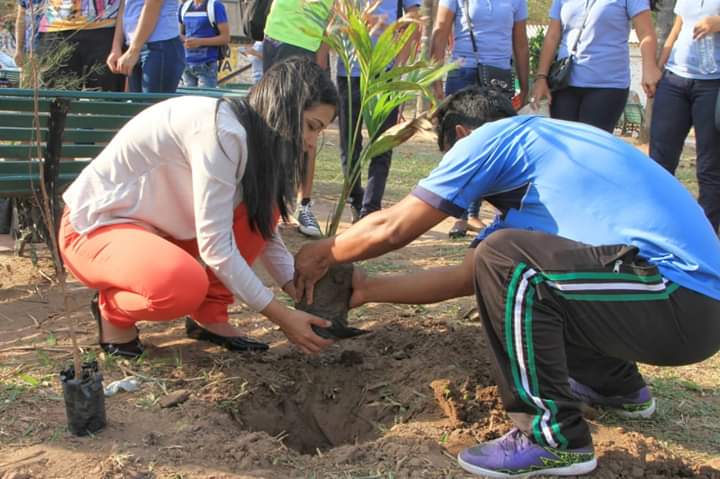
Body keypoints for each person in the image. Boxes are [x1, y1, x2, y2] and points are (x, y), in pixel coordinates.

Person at [294, 86, 720, 478]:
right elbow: (469, 276)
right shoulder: (545, 169)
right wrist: (366, 290)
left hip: (674, 293)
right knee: (511, 266)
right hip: (689, 312)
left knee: (505, 258)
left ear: (462, 135)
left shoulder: (496, 136)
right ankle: (616, 386)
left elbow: (395, 227)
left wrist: (325, 251)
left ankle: (553, 438)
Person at [59, 57, 338, 359]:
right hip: (94, 230)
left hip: (157, 232)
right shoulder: (222, 133)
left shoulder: (252, 137)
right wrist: (283, 317)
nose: (311, 142)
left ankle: (210, 315)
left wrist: (294, 286)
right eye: (311, 127)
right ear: (284, 106)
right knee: (183, 286)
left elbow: (261, 229)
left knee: (265, 207)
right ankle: (112, 312)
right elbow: (216, 248)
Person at [430, 0, 529, 238]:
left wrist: (525, 85)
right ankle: (459, 215)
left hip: (498, 77)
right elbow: (440, 31)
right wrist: (435, 77)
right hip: (462, 72)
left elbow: (521, 42)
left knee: (493, 146)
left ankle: (474, 213)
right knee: (459, 143)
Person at [339, 0, 420, 223]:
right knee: (349, 143)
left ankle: (371, 209)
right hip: (350, 72)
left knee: (382, 144)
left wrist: (399, 70)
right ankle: (356, 198)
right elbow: (337, 14)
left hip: (385, 74)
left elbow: (413, 21)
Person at [531, 0, 661, 133]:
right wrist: (541, 77)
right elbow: (552, 36)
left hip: (606, 86)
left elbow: (646, 33)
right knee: (562, 141)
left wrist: (649, 67)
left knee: (591, 143)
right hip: (564, 83)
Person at [262, 0, 334, 237]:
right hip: (274, 35)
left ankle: (304, 206)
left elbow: (337, 14)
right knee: (272, 122)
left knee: (307, 125)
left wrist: (321, 56)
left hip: (305, 44)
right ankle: (269, 204)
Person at [649, 1, 720, 233]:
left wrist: (717, 22)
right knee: (659, 164)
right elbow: (677, 27)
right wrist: (658, 69)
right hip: (674, 80)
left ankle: (705, 238)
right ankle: (658, 230)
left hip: (713, 85)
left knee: (709, 169)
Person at [16, 0, 125, 91]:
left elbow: (124, 4)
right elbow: (23, 10)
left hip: (105, 30)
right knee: (55, 99)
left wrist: (117, 45)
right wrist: (19, 48)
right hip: (54, 31)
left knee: (106, 99)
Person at [108, 0, 185, 92]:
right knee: (137, 101)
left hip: (160, 45)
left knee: (153, 101)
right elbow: (124, 5)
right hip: (135, 47)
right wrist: (116, 47)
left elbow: (153, 4)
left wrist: (133, 51)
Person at [178, 0, 230, 88]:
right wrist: (186, 40)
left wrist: (199, 42)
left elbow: (225, 38)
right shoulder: (184, 7)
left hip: (206, 65)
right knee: (187, 96)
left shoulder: (215, 6)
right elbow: (180, 34)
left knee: (205, 96)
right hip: (187, 65)